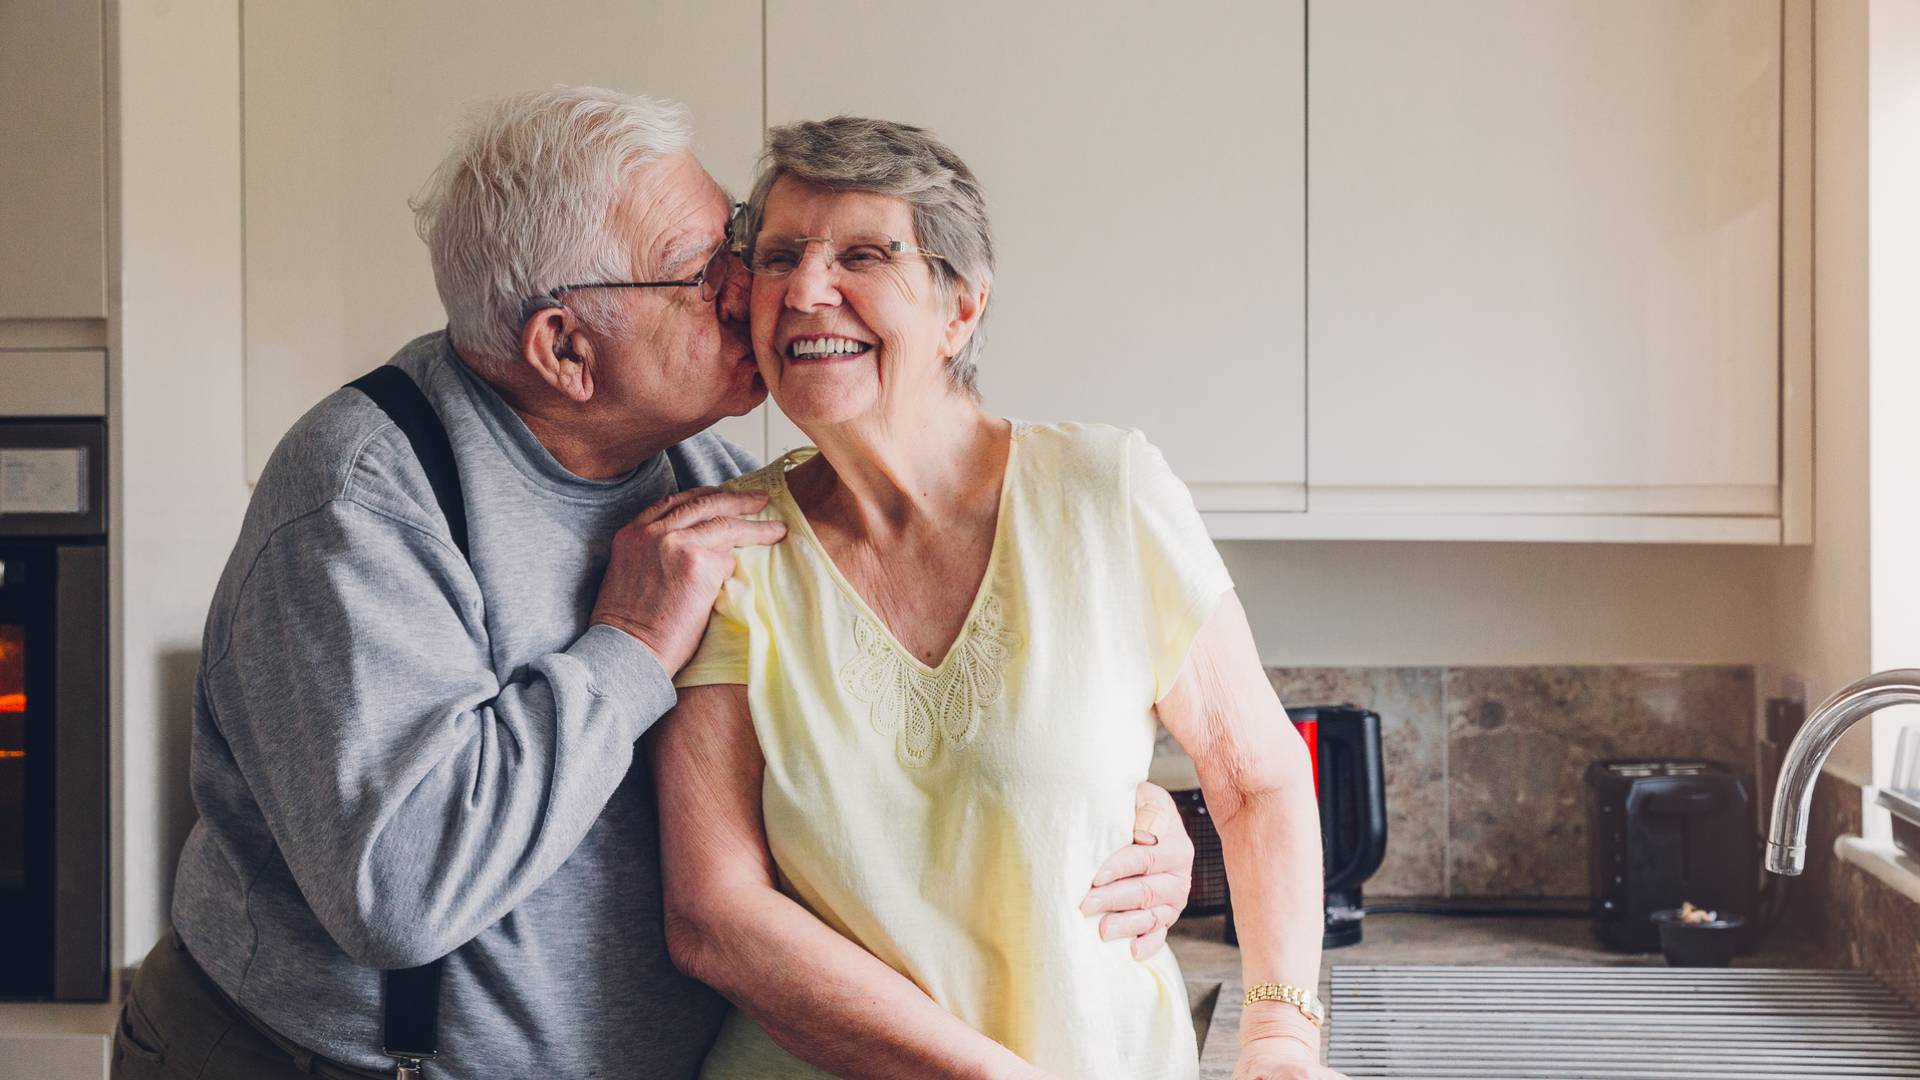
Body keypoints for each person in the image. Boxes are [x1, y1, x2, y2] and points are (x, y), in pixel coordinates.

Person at [114, 88, 1193, 1080]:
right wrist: (627, 648)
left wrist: (1118, 821)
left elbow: (873, 773)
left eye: (737, 235)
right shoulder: (362, 501)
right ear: (567, 350)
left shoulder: (712, 472)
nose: (758, 287)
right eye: (700, 269)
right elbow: (402, 890)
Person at [653, 116, 1342, 1079]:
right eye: (778, 256)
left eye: (862, 253)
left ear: (961, 308)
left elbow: (1255, 779)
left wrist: (1280, 1040)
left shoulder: (1107, 492)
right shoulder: (727, 547)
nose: (806, 290)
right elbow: (716, 917)